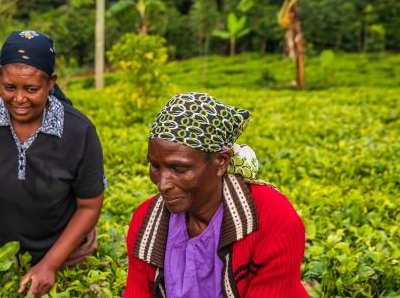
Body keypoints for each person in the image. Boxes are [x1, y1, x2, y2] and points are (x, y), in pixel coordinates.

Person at [0, 30, 105, 297]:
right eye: (9, 87)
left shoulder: (78, 131)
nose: (19, 99)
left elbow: (90, 205)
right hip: (0, 251)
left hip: (68, 255)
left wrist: (50, 265)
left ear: (51, 83)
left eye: (32, 89)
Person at [123, 92, 307, 297]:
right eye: (155, 166)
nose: (162, 184)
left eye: (180, 169)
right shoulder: (146, 221)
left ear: (220, 162)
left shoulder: (273, 218)